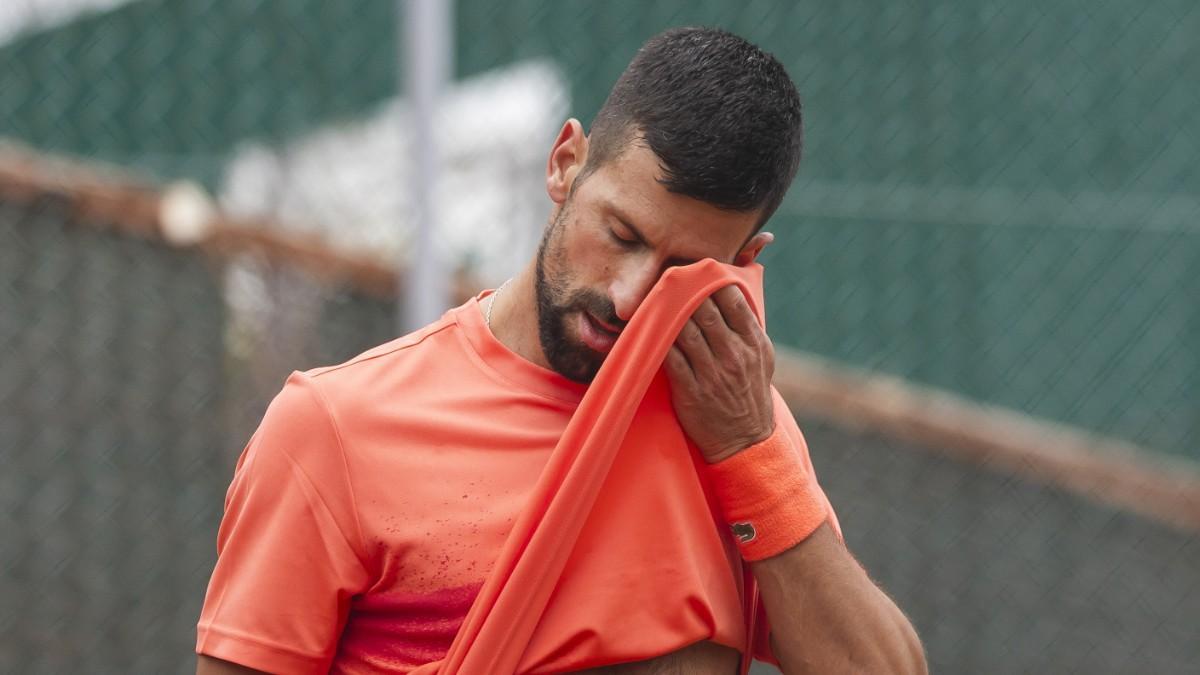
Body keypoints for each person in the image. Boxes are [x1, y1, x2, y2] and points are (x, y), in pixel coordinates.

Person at [196, 27, 926, 675]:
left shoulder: (735, 428)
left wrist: (748, 452)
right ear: (564, 163)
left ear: (743, 263)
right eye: (621, 234)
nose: (630, 296)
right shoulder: (333, 429)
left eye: (681, 270)